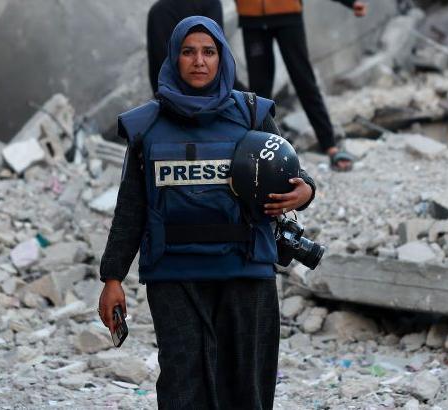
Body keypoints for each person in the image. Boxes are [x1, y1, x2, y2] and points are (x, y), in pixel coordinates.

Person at [98, 16, 317, 409]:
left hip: (246, 271)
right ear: (174, 58)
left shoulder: (251, 114)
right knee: (183, 386)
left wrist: (305, 192)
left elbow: (292, 173)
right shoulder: (148, 126)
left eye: (209, 52)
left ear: (222, 59)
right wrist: (112, 276)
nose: (199, 61)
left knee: (246, 385)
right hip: (174, 277)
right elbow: (131, 206)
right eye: (188, 51)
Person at [236, 0, 368, 171]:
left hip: (287, 14)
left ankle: (330, 145)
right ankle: (259, 153)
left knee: (304, 80)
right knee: (259, 91)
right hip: (251, 18)